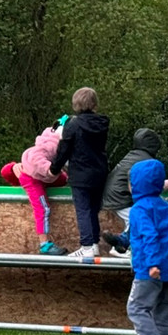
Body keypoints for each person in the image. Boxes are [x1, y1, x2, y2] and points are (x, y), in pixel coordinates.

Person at [126, 159, 168, 335]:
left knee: (137, 307)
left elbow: (149, 235)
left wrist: (151, 263)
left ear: (136, 184)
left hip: (150, 268)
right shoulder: (167, 207)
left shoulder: (139, 209)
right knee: (162, 312)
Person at [49, 87, 111, 258]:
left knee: (83, 209)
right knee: (93, 209)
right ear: (94, 103)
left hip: (80, 173)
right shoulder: (102, 123)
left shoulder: (73, 124)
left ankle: (86, 245)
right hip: (99, 172)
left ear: (75, 103)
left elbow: (64, 149)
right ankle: (95, 244)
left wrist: (54, 169)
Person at [0, 117, 70, 255]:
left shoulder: (53, 141)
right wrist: (51, 170)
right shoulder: (51, 146)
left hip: (42, 176)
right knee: (43, 208)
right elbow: (36, 160)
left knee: (63, 179)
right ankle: (44, 244)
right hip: (33, 178)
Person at [100, 127, 162, 256]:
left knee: (134, 220)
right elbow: (151, 182)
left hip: (113, 194)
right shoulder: (147, 161)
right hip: (120, 196)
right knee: (138, 219)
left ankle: (120, 245)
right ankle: (128, 247)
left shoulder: (132, 155)